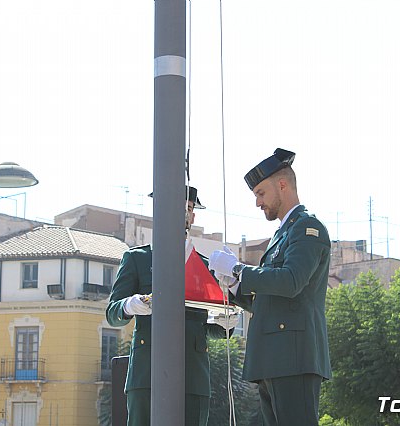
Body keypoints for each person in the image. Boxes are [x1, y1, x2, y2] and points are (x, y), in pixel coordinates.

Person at [209, 148, 332, 426]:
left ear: (282, 185)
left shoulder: (307, 228)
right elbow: (269, 299)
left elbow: (291, 282)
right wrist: (234, 287)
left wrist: (239, 269)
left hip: (293, 355)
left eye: (261, 193)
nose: (257, 203)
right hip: (274, 358)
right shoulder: (282, 235)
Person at [106, 186, 238, 426]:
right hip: (148, 374)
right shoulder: (138, 259)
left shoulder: (205, 266)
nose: (183, 213)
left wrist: (226, 324)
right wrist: (131, 305)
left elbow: (207, 325)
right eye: (177, 206)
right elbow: (112, 313)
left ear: (193, 217)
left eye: (188, 208)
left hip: (193, 376)